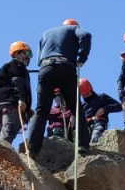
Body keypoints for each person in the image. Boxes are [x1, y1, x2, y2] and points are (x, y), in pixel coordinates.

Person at [25, 19, 91, 156]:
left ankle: (32, 148)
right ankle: (82, 145)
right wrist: (82, 58)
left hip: (46, 68)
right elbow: (86, 35)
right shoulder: (73, 29)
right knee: (76, 108)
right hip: (65, 67)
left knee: (41, 110)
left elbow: (39, 59)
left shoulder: (46, 33)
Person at [0, 41, 33, 144]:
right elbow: (17, 82)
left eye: (30, 55)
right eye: (26, 53)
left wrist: (28, 111)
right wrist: (21, 99)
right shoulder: (17, 65)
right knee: (9, 130)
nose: (28, 57)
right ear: (16, 53)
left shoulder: (7, 67)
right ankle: (1, 155)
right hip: (10, 104)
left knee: (0, 132)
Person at [77, 78, 122, 147]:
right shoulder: (82, 105)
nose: (87, 95)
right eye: (84, 94)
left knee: (95, 139)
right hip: (86, 126)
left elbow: (119, 106)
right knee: (83, 142)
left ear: (91, 89)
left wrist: (104, 109)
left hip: (99, 123)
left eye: (88, 92)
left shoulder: (102, 97)